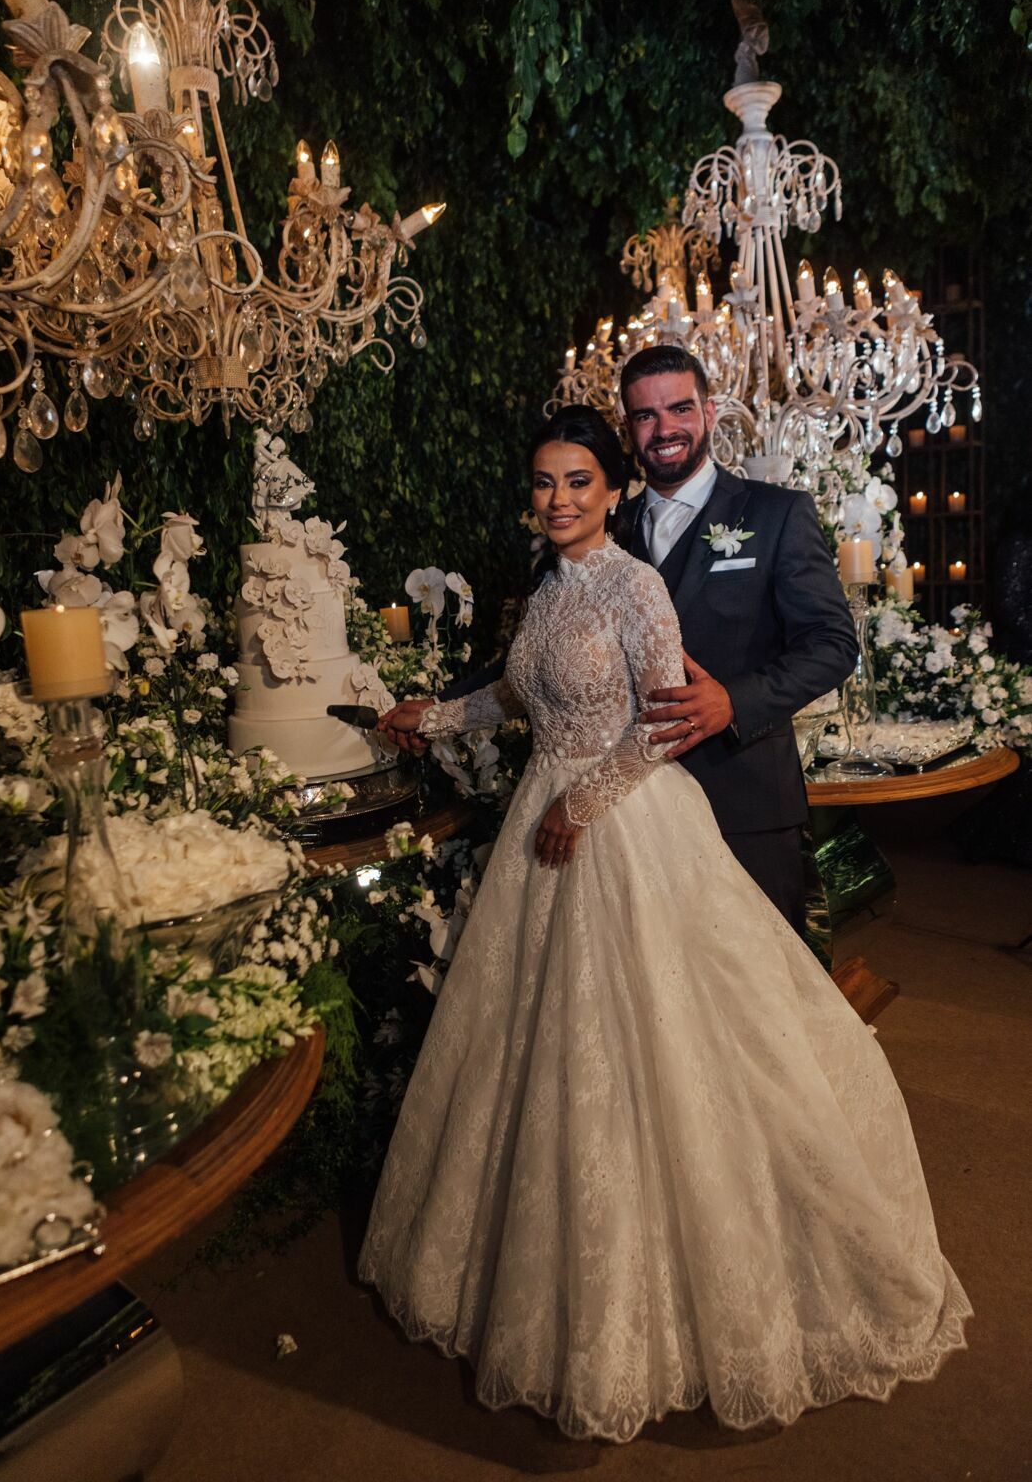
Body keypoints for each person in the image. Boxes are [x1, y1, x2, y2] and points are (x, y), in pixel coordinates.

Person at [359, 406, 970, 1442]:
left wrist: (583, 802)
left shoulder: (637, 586)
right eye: (544, 483)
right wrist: (436, 715)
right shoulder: (547, 588)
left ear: (610, 490)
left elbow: (658, 718)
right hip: (544, 833)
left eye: (577, 483)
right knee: (539, 1052)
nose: (557, 500)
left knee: (666, 1046)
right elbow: (518, 690)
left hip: (625, 829)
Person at [383, 345, 858, 934]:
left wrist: (735, 701)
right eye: (644, 416)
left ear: (710, 413)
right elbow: (541, 657)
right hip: (623, 814)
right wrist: (440, 711)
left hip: (743, 795)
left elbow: (834, 642)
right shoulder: (601, 525)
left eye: (679, 409)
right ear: (628, 428)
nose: (664, 430)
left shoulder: (776, 514)